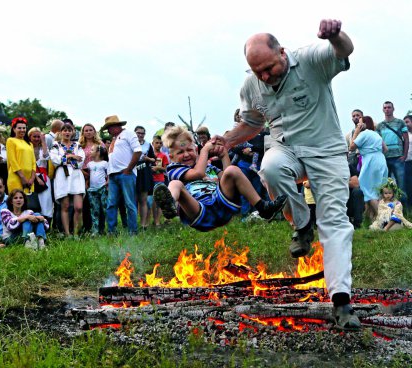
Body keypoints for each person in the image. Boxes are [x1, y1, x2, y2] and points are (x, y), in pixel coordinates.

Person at [210, 20, 359, 330]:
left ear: (282, 52)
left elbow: (345, 51)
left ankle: (341, 302)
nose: (265, 77)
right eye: (257, 71)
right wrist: (228, 139)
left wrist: (335, 36)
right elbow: (252, 123)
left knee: (333, 221)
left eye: (268, 68)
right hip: (286, 148)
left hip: (326, 151)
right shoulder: (252, 84)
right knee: (270, 167)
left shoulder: (311, 59)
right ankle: (302, 225)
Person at [154, 126, 286, 231]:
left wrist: (224, 156)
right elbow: (197, 174)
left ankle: (262, 207)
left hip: (222, 205)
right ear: (171, 157)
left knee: (232, 170)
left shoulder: (208, 167)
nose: (186, 154)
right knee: (175, 183)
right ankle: (169, 203)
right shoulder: (174, 168)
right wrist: (205, 151)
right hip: (199, 210)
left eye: (189, 150)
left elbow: (229, 178)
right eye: (180, 152)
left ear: (195, 150)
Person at [103, 115, 141, 235]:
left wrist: (129, 169)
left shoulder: (129, 134)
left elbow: (138, 151)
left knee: (129, 203)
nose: (108, 130)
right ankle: (111, 231)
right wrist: (109, 177)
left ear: (116, 126)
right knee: (111, 204)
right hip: (113, 175)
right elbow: (112, 160)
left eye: (109, 127)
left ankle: (133, 231)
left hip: (126, 174)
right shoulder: (114, 139)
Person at [349, 116, 388, 221]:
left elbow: (351, 147)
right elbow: (385, 149)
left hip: (370, 162)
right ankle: (373, 219)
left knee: (368, 190)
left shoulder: (364, 134)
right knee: (377, 190)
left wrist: (357, 131)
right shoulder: (376, 134)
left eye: (360, 123)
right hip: (381, 160)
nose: (358, 124)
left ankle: (384, 219)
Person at [50, 122, 86, 237]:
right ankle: (67, 233)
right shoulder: (56, 145)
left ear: (73, 132)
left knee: (78, 207)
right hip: (62, 176)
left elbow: (81, 161)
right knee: (64, 206)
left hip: (76, 176)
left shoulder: (77, 145)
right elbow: (55, 160)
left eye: (69, 130)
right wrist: (70, 156)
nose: (67, 132)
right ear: (60, 132)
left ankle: (76, 233)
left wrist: (65, 158)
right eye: (64, 130)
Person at [377, 101, 409, 202]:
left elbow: (406, 139)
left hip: (398, 157)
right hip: (385, 159)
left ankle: (404, 212)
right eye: (385, 108)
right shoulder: (379, 126)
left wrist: (404, 155)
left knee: (401, 186)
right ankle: (386, 209)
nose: (387, 109)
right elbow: (378, 143)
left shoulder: (400, 123)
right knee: (385, 186)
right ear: (383, 110)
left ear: (393, 109)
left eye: (389, 107)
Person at [79, 123, 104, 233]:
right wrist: (85, 174)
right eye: (86, 130)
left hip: (98, 176)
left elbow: (105, 160)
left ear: (94, 131)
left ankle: (101, 227)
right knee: (86, 203)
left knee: (99, 202)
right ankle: (87, 227)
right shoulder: (80, 145)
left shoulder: (100, 144)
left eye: (90, 130)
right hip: (83, 174)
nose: (88, 132)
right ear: (83, 132)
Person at [28, 127, 54, 220]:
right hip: (31, 177)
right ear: (30, 137)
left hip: (44, 177)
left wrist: (43, 142)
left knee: (46, 201)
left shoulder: (42, 148)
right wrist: (36, 178)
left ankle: (46, 223)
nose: (36, 139)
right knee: (34, 201)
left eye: (38, 137)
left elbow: (47, 157)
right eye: (34, 136)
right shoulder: (27, 148)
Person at [134, 126, 156, 230]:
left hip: (144, 172)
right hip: (132, 171)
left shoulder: (148, 145)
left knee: (143, 199)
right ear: (134, 133)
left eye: (142, 133)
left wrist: (147, 158)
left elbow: (154, 160)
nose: (140, 135)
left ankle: (143, 225)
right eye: (138, 133)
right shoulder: (131, 143)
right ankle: (133, 224)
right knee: (133, 200)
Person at [6, 117, 36, 194]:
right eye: (19, 128)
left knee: (27, 203)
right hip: (16, 177)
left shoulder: (30, 144)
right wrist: (22, 178)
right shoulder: (11, 141)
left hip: (29, 179)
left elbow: (33, 162)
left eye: (24, 128)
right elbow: (13, 161)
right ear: (14, 129)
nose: (22, 130)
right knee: (16, 201)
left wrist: (32, 178)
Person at [84, 145, 109, 235]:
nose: (90, 151)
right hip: (92, 190)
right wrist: (87, 183)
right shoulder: (89, 164)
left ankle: (110, 229)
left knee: (106, 209)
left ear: (98, 152)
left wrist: (108, 182)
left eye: (92, 150)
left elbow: (108, 174)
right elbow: (89, 176)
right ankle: (95, 230)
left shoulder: (105, 163)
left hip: (102, 188)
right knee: (94, 210)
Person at [150, 135, 169, 227]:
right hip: (150, 180)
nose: (158, 144)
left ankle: (157, 221)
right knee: (152, 201)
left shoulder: (163, 156)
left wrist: (158, 167)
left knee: (160, 201)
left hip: (160, 180)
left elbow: (165, 169)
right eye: (156, 143)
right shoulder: (149, 155)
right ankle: (155, 219)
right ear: (152, 143)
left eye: (160, 143)